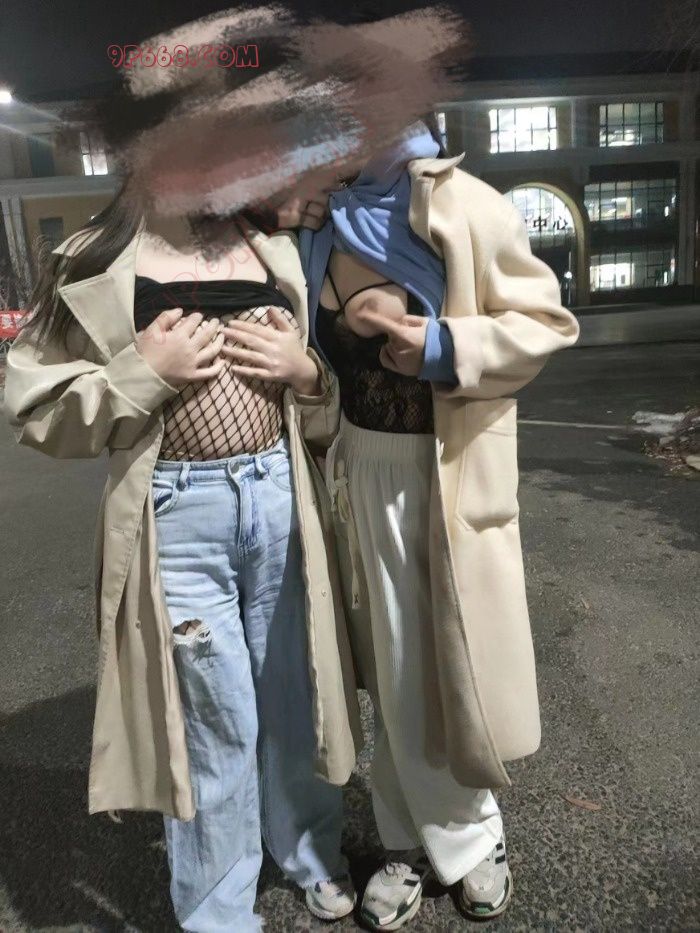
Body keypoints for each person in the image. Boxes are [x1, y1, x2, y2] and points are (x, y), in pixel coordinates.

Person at [230, 120, 580, 929]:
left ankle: (468, 835)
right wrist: (307, 378)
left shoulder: (463, 207)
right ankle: (405, 837)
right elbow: (323, 371)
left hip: (442, 474)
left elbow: (545, 322)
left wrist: (445, 343)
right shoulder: (320, 229)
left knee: (441, 666)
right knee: (386, 671)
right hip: (355, 469)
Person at [2, 184, 364, 932]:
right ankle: (217, 909)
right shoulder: (95, 257)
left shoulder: (273, 247)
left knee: (295, 692)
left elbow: (322, 404)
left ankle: (306, 848)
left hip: (279, 496)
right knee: (213, 719)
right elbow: (33, 406)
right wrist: (144, 371)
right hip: (176, 516)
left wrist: (306, 375)